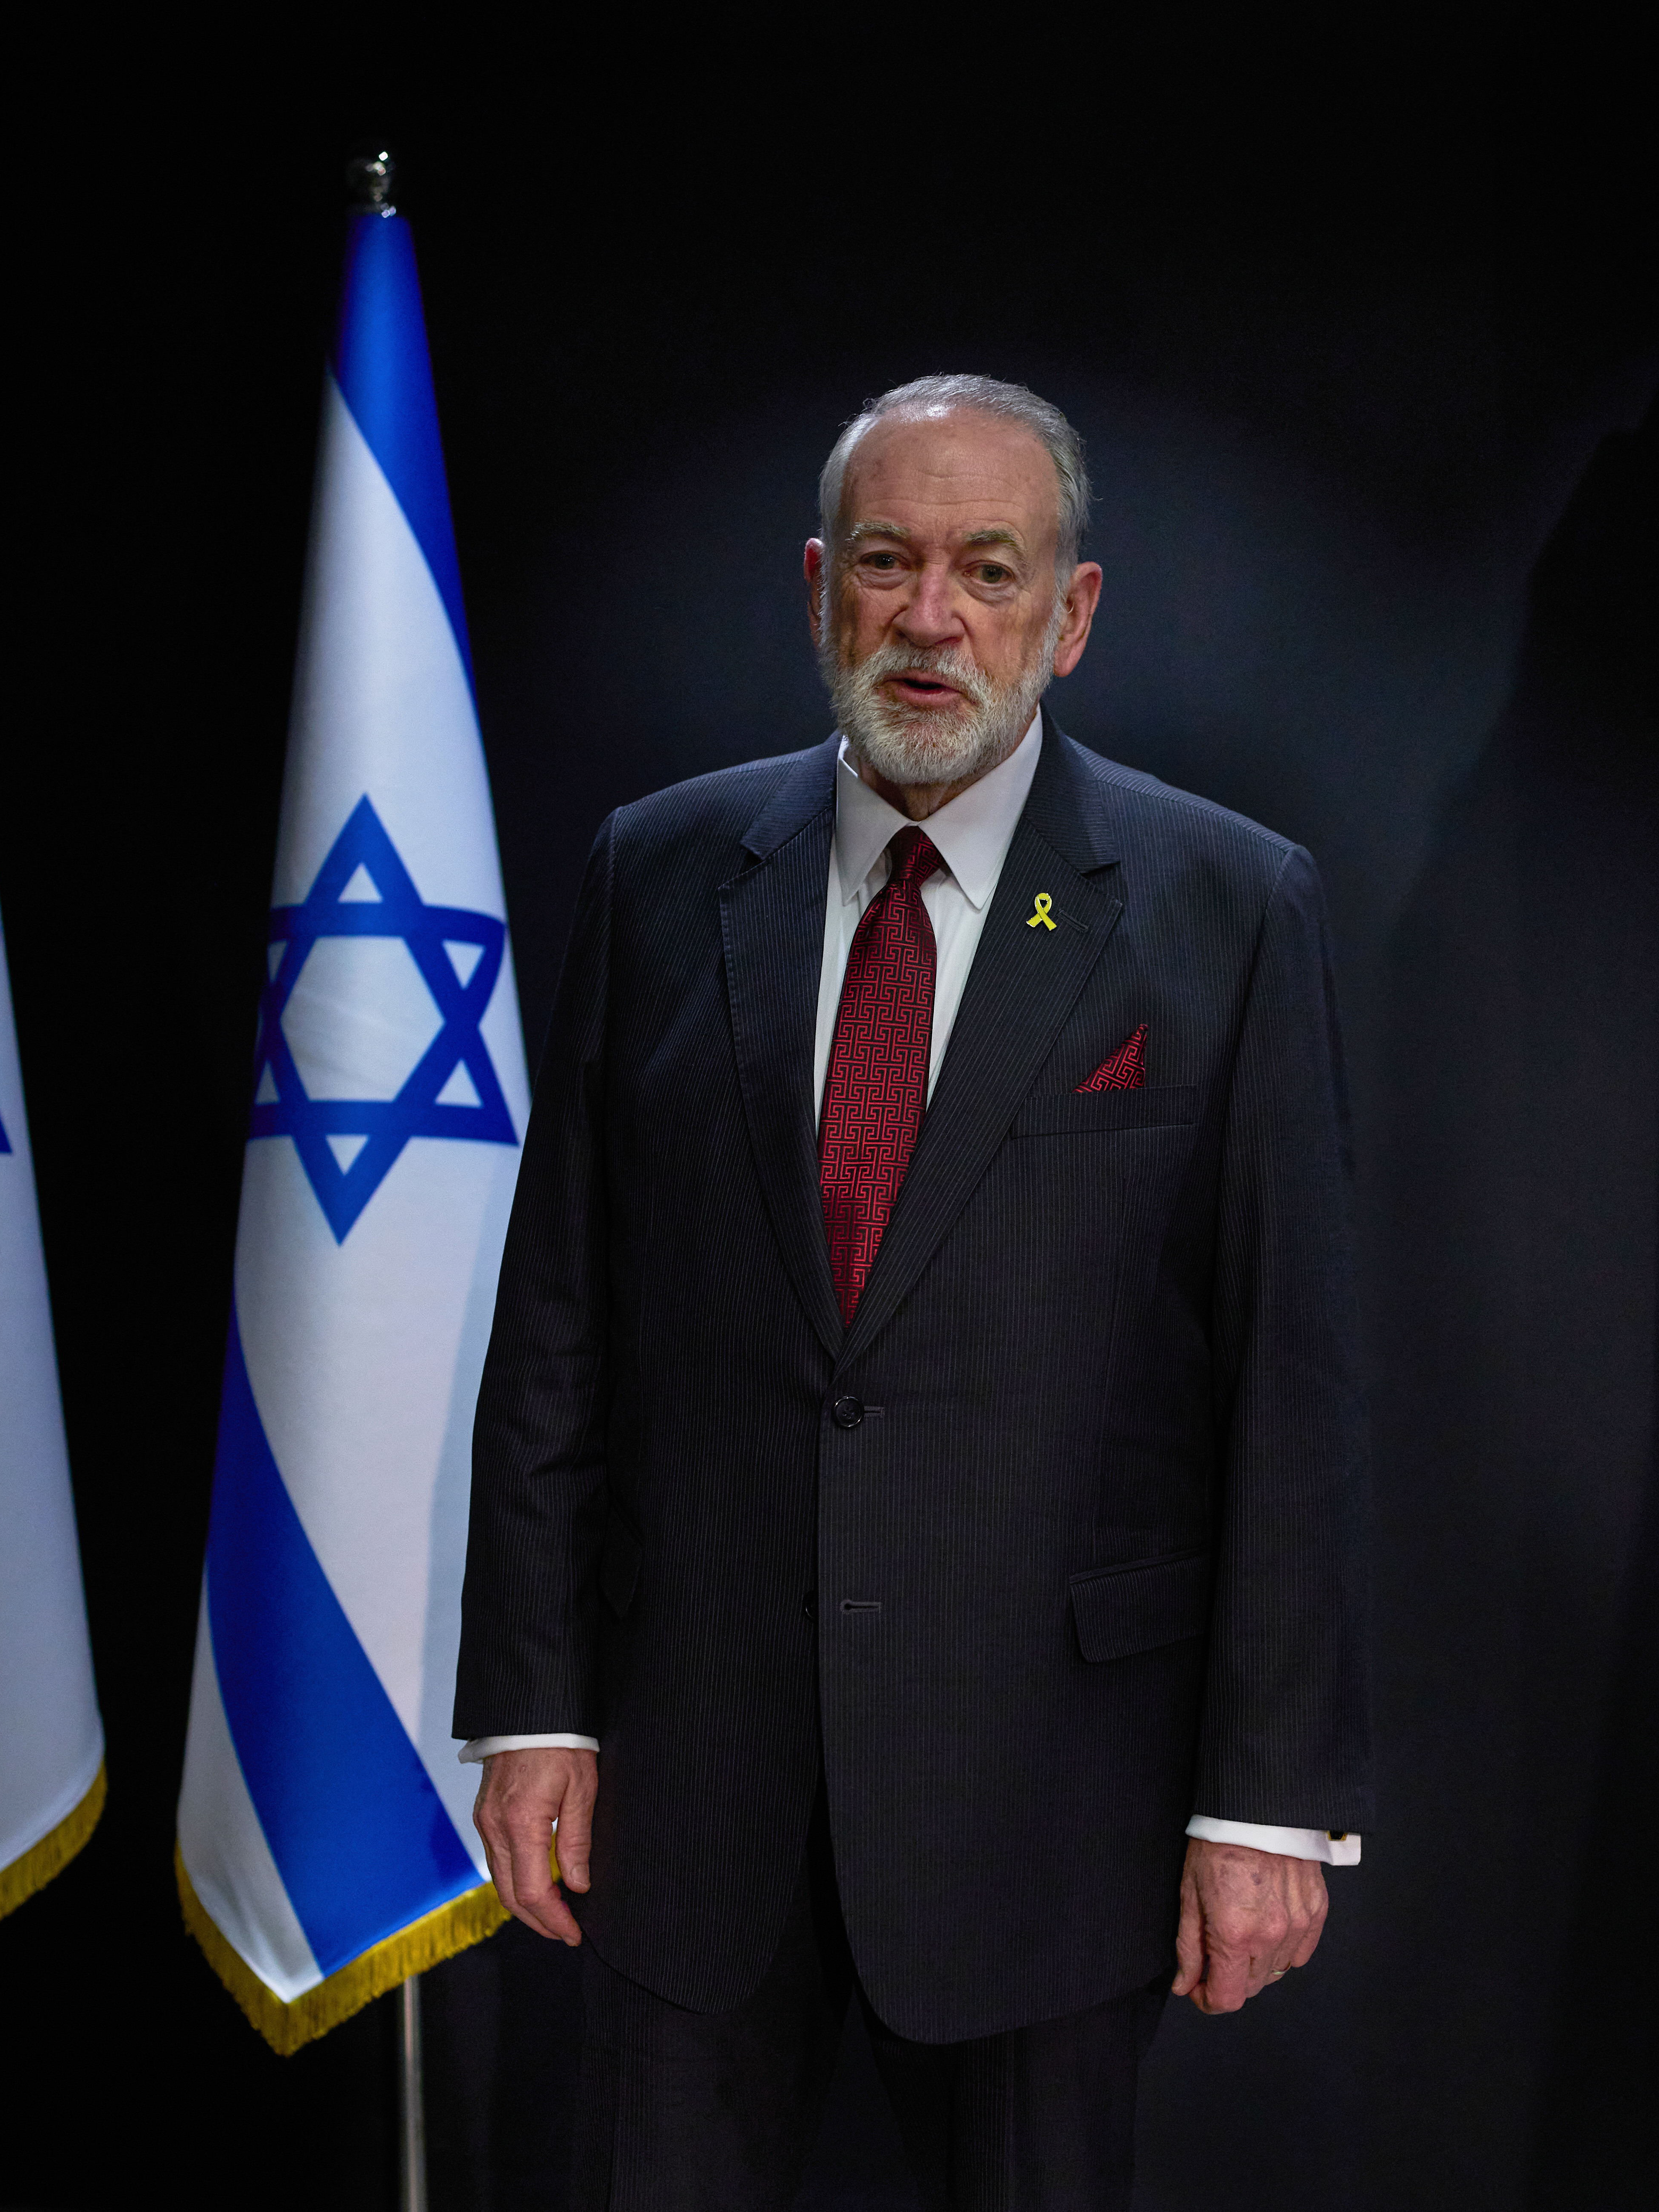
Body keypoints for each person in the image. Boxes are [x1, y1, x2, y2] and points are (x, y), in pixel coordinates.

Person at [454, 374, 1372, 2211]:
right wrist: (533, 1703)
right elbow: (561, 1307)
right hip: (695, 1781)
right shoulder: (656, 872)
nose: (931, 615)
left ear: (1072, 611)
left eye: (985, 567)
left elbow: (1292, 1377)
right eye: (887, 562)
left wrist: (1263, 1799)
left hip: (1051, 1804)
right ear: (819, 588)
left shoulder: (1220, 904)